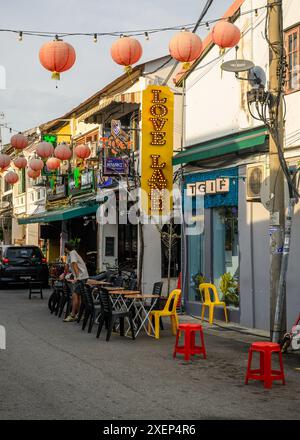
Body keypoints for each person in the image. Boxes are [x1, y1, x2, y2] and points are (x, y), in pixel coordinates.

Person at [63, 242, 89, 322]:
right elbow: (67, 267)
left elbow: (74, 265)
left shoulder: (73, 253)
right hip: (80, 277)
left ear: (66, 248)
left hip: (81, 277)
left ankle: (73, 315)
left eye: (64, 248)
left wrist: (77, 277)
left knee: (75, 295)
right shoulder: (68, 255)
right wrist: (63, 275)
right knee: (78, 296)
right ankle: (79, 314)